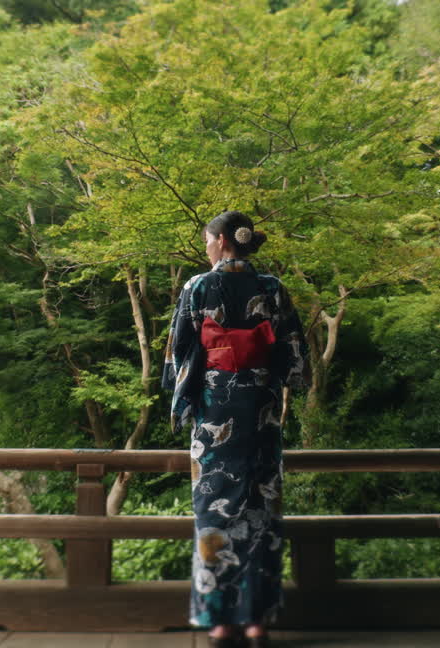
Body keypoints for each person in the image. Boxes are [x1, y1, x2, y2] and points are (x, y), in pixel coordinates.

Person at [163, 210, 308, 648]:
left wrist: (181, 394)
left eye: (208, 240)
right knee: (262, 511)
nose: (207, 247)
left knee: (213, 510)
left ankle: (220, 622)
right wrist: (273, 376)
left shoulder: (198, 286)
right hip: (262, 411)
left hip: (215, 413)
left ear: (223, 240)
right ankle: (257, 622)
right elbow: (294, 353)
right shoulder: (273, 288)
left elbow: (179, 351)